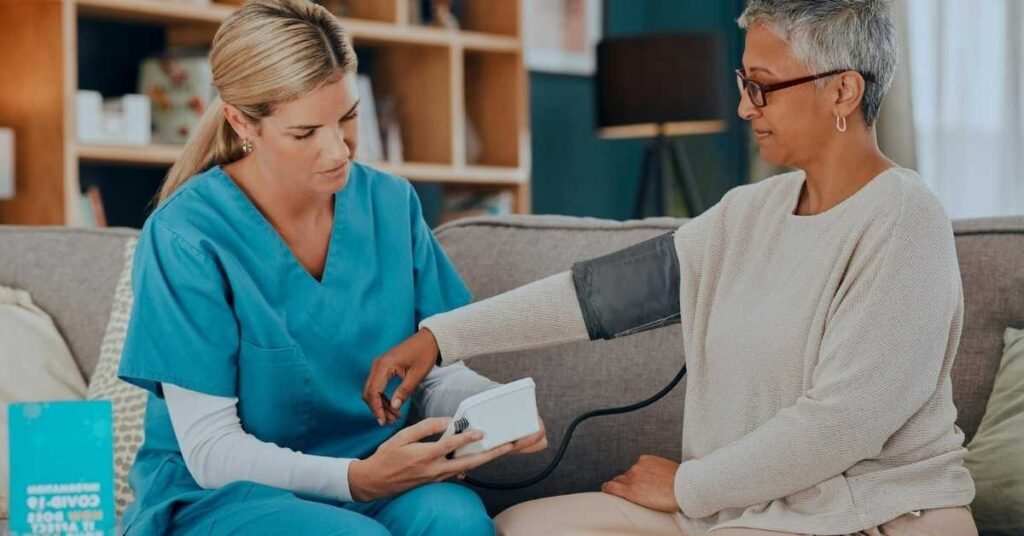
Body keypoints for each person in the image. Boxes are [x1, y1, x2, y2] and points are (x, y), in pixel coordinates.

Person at [363, 1, 978, 534]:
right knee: (523, 527)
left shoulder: (903, 219)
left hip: (868, 513)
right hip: (734, 507)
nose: (744, 108)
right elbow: (604, 294)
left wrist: (687, 485)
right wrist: (442, 337)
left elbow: (843, 424)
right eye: (743, 82)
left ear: (842, 91)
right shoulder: (750, 211)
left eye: (762, 87)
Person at [116, 1, 545, 534]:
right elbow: (210, 449)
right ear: (241, 121)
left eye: (348, 117)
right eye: (305, 133)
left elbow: (435, 373)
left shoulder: (390, 204)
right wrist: (356, 480)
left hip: (374, 476)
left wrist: (490, 409)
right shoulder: (187, 235)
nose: (338, 150)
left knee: (454, 520)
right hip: (226, 497)